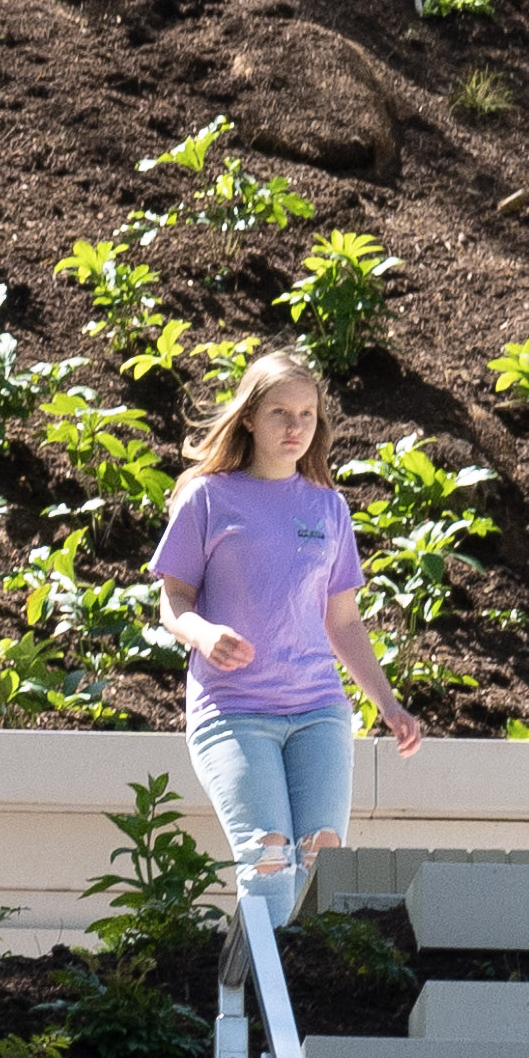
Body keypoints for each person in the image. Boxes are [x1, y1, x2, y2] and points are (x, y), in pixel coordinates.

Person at [151, 346, 426, 922]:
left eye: (307, 414)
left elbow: (343, 622)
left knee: (324, 864)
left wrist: (389, 703)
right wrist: (203, 634)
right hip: (233, 709)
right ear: (250, 416)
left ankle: (308, 1002)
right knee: (268, 855)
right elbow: (172, 601)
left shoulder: (328, 508)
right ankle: (265, 1003)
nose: (295, 426)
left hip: (318, 710)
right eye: (281, 412)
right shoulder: (207, 497)